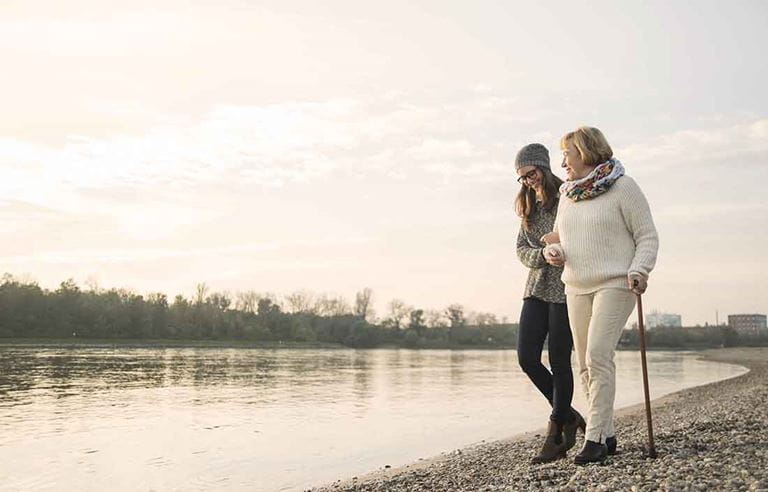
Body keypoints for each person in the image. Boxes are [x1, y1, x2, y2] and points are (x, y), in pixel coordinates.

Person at [542, 126, 659, 465]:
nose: (562, 161)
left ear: (586, 152)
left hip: (616, 282)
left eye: (567, 153)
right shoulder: (568, 194)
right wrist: (557, 252)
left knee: (597, 356)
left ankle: (593, 440)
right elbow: (566, 239)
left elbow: (647, 236)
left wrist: (640, 269)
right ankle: (606, 434)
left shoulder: (624, 186)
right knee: (584, 364)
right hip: (576, 285)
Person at [514, 143, 586, 464]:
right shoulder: (527, 205)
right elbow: (520, 249)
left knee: (559, 359)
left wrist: (560, 248)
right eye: (522, 177)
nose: (528, 181)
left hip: (565, 288)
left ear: (543, 166)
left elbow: (582, 236)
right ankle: (568, 415)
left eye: (531, 173)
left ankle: (557, 431)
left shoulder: (567, 197)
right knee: (527, 357)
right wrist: (541, 254)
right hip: (536, 287)